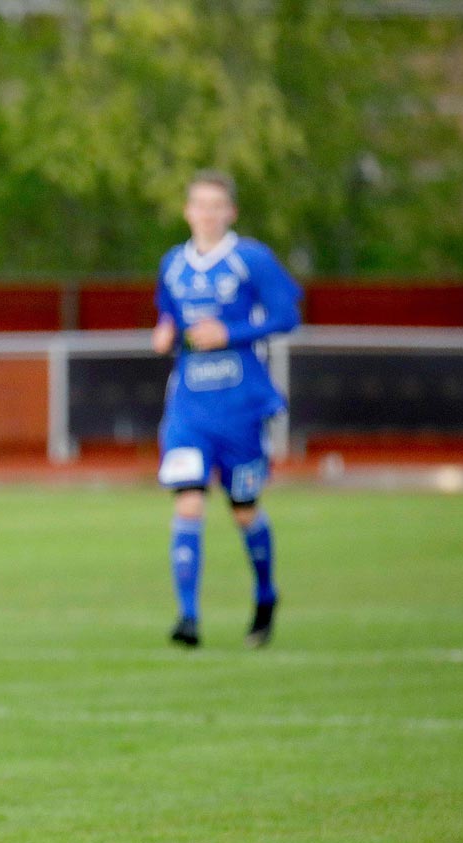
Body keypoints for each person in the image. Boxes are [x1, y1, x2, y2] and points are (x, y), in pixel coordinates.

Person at [151, 170, 302, 648]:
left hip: (239, 407)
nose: (208, 213)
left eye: (217, 205)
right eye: (200, 204)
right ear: (187, 211)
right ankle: (188, 619)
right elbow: (168, 311)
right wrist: (165, 330)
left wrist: (231, 334)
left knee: (243, 511)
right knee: (189, 499)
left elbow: (288, 314)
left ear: (230, 212)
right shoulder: (173, 263)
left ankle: (265, 596)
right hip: (190, 406)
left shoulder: (250, 259)